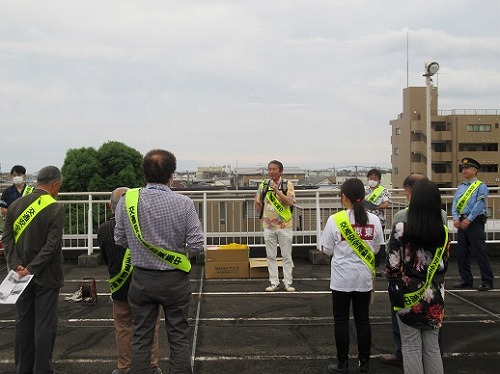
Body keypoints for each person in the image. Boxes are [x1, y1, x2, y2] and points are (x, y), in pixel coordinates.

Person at [114, 149, 204, 374]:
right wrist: (174, 250)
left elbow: (119, 239)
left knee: (141, 338)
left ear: (144, 174)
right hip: (175, 280)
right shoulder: (184, 203)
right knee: (179, 337)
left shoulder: (127, 201)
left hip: (142, 279)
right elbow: (196, 245)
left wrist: (142, 249)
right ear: (171, 175)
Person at [2, 166, 64, 374]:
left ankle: (23, 368)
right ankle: (43, 370)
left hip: (19, 277)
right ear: (54, 184)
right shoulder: (55, 208)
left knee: (23, 323)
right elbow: (52, 245)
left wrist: (16, 265)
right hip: (46, 276)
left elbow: (7, 239)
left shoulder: (15, 205)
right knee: (44, 326)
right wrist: (31, 268)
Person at [381, 173, 447, 367]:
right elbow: (444, 264)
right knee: (432, 347)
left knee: (410, 346)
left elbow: (392, 265)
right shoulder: (442, 230)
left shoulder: (401, 226)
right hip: (435, 294)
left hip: (408, 294)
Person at [320, 178, 384, 374]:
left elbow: (327, 250)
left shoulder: (335, 219)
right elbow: (376, 248)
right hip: (363, 278)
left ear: (344, 197)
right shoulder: (374, 220)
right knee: (363, 320)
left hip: (341, 279)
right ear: (363, 197)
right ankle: (364, 363)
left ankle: (342, 364)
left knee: (341, 320)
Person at [98, 187, 162, 374]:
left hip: (119, 288)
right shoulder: (146, 224)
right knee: (150, 327)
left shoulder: (103, 229)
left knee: (124, 328)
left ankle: (125, 367)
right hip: (146, 285)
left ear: (110, 206)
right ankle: (151, 366)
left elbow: (105, 257)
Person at [452, 157, 493, 291]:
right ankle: (466, 279)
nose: (464, 170)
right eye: (463, 168)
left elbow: (479, 204)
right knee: (461, 252)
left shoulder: (481, 186)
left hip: (474, 221)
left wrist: (469, 219)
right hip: (462, 221)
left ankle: (487, 281)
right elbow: (455, 204)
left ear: (475, 170)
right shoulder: (460, 187)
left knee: (479, 251)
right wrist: (456, 218)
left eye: (467, 168)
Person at [254, 160, 296, 292]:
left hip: (285, 225)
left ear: (280, 171)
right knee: (271, 255)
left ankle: (288, 282)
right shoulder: (264, 184)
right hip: (268, 226)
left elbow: (290, 202)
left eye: (274, 169)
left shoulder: (287, 184)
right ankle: (274, 282)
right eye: (269, 169)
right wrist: (262, 215)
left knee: (286, 255)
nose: (271, 172)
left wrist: (277, 191)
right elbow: (257, 201)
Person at [364, 168, 390, 274]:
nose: (373, 180)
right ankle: (367, 264)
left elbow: (386, 204)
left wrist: (376, 207)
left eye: (375, 178)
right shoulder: (363, 190)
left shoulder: (383, 190)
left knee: (378, 242)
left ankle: (377, 265)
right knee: (366, 242)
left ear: (379, 180)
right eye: (371, 178)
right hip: (365, 220)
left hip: (379, 220)